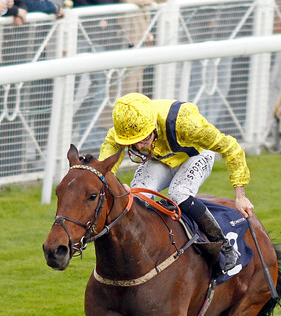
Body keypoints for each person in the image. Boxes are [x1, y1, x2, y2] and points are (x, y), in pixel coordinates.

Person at [100, 93, 254, 272]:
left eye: (143, 140)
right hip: (162, 158)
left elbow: (231, 148)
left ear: (154, 126)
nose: (140, 147)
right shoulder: (120, 132)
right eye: (133, 144)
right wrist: (117, 186)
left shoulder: (187, 122)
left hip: (196, 154)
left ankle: (225, 247)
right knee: (137, 195)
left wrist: (240, 196)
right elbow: (103, 171)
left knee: (178, 192)